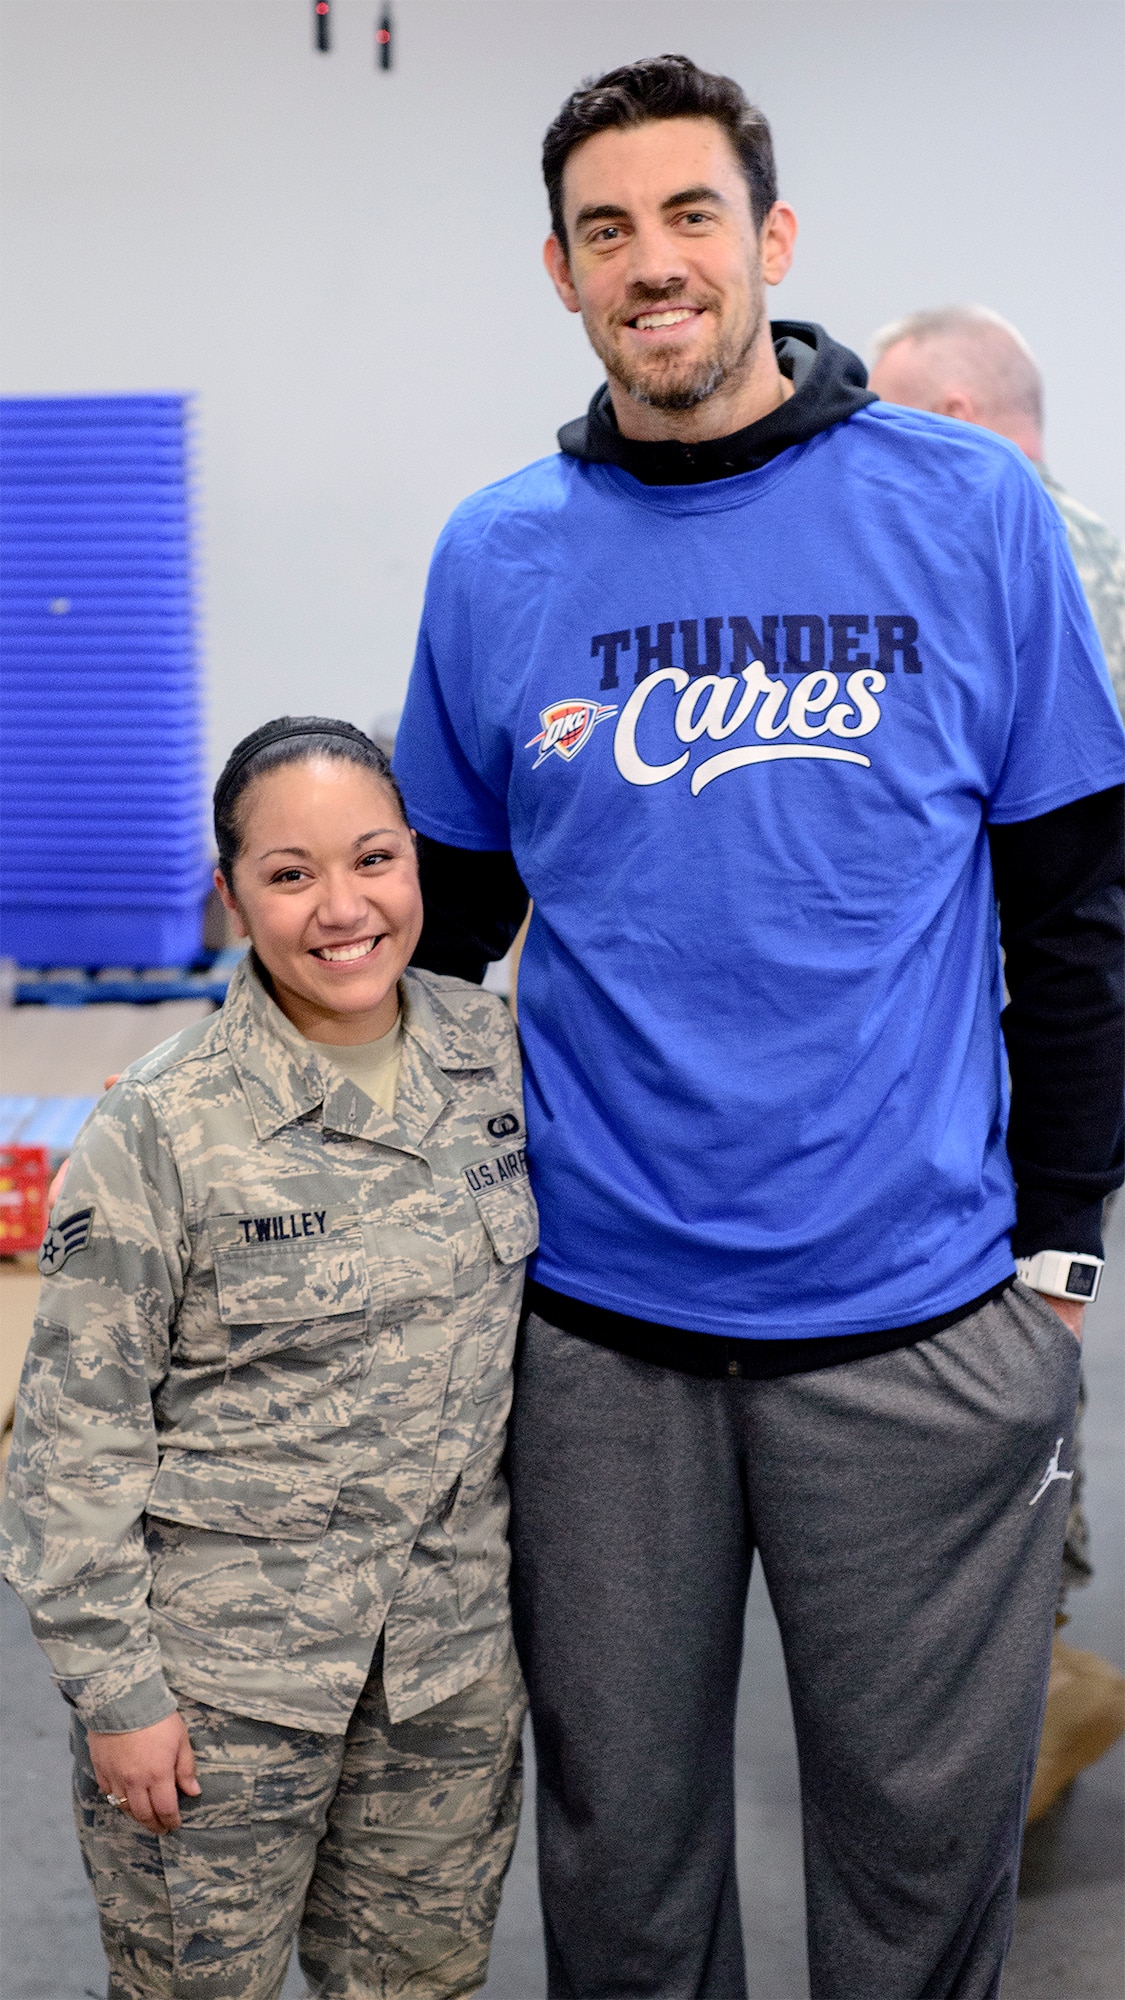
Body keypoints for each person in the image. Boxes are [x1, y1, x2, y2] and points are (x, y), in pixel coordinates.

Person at [393, 54, 1125, 2000]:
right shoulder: (498, 556)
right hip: (598, 1353)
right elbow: (438, 951)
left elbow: (1072, 911)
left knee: (913, 1874)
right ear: (558, 269)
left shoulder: (964, 511)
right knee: (625, 1883)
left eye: (689, 215)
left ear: (769, 239)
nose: (653, 263)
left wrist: (1055, 1254)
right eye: (607, 230)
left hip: (913, 1326)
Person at [0, 718, 534, 2000]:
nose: (342, 908)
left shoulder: (498, 1060)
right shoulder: (165, 1122)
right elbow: (73, 1440)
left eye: (374, 858)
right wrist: (118, 1691)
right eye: (290, 874)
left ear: (420, 865)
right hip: (223, 1693)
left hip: (444, 1679)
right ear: (230, 891)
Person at [869, 305, 1125, 1825]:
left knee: (1009, 1360)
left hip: (1025, 1041)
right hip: (1075, 1037)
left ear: (959, 414)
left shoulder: (1001, 555)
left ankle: (1020, 1703)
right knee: (1040, 1346)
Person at [869, 306, 1125, 721]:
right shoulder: (1101, 544)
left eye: (891, 426)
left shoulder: (974, 553)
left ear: (954, 419)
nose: (872, 451)